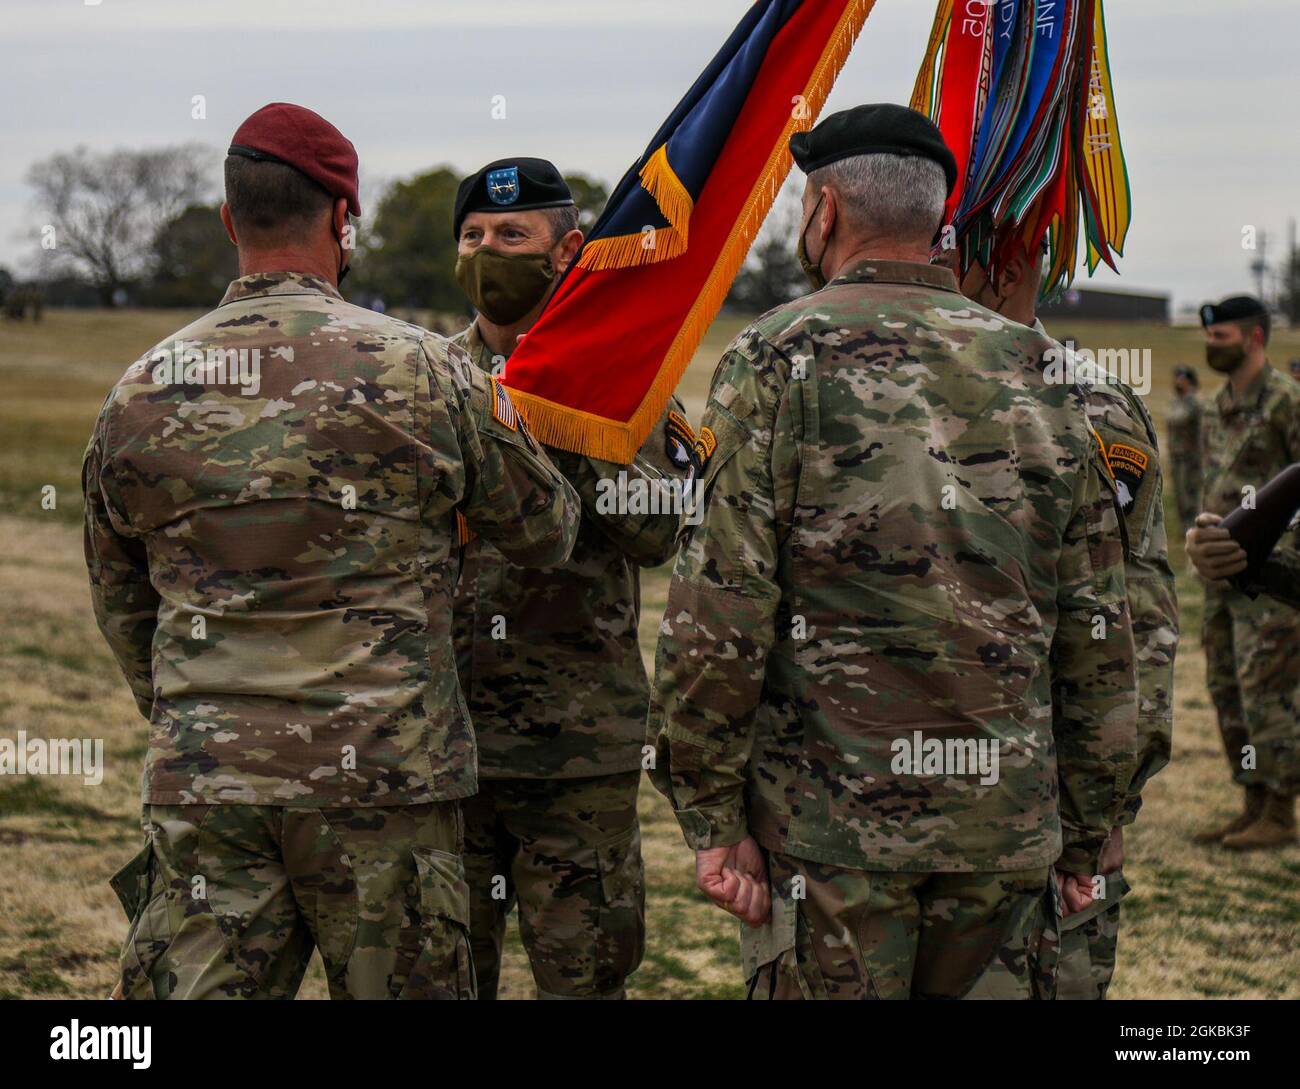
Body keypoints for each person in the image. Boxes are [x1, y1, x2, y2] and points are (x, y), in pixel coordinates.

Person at [84, 103, 581, 1000]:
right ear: (343, 221)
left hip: (210, 780)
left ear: (232, 220)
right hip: (385, 777)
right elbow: (548, 529)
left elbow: (121, 596)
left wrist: (199, 714)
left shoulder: (138, 390)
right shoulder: (426, 370)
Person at [649, 103, 1138, 1000]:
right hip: (1005, 826)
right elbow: (1100, 624)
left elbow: (719, 609)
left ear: (824, 211)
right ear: (936, 217)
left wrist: (711, 817)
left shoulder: (774, 357)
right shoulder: (1046, 374)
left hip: (832, 835)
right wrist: (1091, 824)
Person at [449, 158, 695, 999]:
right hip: (445, 748)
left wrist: (563, 418)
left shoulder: (625, 387)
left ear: (570, 252)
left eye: (513, 236)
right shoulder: (426, 381)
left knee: (586, 978)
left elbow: (663, 527)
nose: (489, 253)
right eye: (475, 237)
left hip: (577, 750)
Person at [951, 242, 1177, 1000]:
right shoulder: (907, 383)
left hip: (1044, 804)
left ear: (1008, 270)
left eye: (946, 262)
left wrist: (1105, 808)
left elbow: (1138, 623)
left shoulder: (1094, 404)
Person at [1191, 296, 1300, 849]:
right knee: (1226, 688)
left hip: (1272, 581)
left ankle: (1281, 810)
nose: (1211, 344)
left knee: (1268, 693)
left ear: (1254, 338)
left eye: (1222, 337)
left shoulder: (1287, 401)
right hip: (1222, 577)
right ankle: (1252, 800)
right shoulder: (1217, 404)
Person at [1167, 365, 1204, 533]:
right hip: (1176, 454)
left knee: (1191, 494)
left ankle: (1194, 527)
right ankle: (1184, 528)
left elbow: (1202, 431)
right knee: (1179, 493)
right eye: (1177, 378)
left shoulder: (1196, 403)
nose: (1178, 382)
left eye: (1182, 379)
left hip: (1191, 456)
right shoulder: (1175, 401)